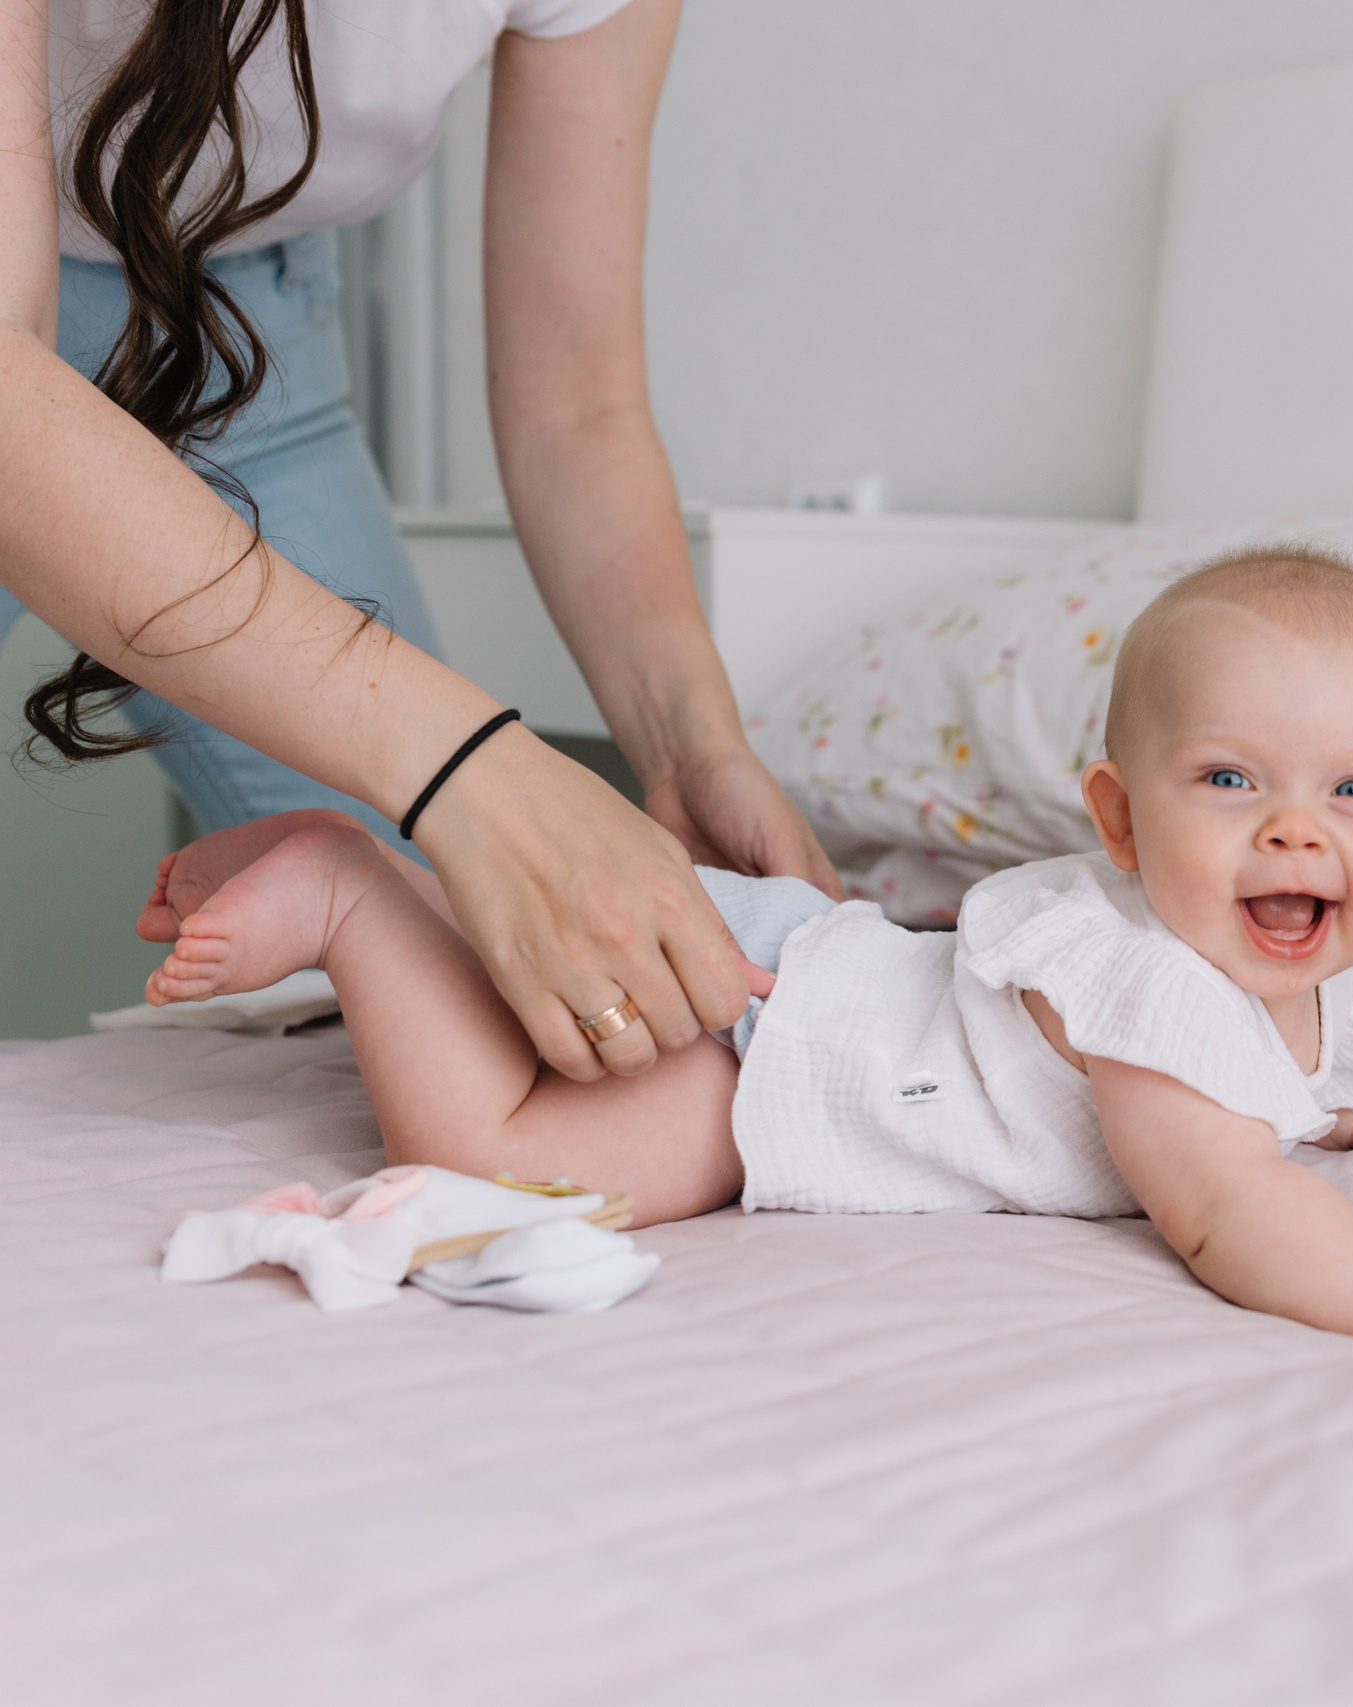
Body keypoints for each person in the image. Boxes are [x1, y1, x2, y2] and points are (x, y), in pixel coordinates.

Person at [136, 554, 1353, 1363]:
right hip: (773, 1055)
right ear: (1120, 823)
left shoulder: (1311, 982)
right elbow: (1230, 1204)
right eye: (1228, 780)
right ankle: (350, 893)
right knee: (503, 1152)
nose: (1292, 833)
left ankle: (407, 895)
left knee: (525, 1029)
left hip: (789, 965)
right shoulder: (1142, 982)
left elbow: (1274, 1075)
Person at [1, 0, 836, 1080]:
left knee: (419, 928)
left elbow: (574, 409)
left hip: (241, 311)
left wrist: (690, 746)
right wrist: (472, 773)